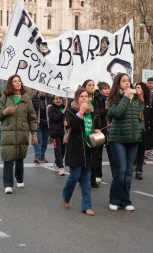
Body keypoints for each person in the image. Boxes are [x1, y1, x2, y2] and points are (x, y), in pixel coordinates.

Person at [0, 75, 38, 194]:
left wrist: (34, 134)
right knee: (8, 158)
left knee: (19, 157)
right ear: (10, 84)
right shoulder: (5, 98)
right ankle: (8, 184)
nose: (18, 83)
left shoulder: (26, 99)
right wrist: (5, 112)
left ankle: (19, 178)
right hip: (8, 132)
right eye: (15, 81)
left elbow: (32, 118)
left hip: (22, 132)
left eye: (19, 81)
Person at [107, 73, 142, 211]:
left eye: (128, 81)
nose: (127, 83)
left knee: (128, 172)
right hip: (118, 138)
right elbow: (116, 114)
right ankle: (114, 199)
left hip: (133, 138)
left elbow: (139, 116)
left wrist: (140, 130)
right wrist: (126, 98)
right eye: (123, 81)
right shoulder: (114, 98)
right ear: (118, 83)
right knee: (120, 170)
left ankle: (125, 200)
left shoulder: (136, 98)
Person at [62, 87, 95, 216]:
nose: (84, 98)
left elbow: (92, 125)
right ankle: (66, 196)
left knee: (86, 178)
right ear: (77, 98)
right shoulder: (71, 110)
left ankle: (86, 206)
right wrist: (80, 112)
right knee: (74, 176)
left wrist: (96, 130)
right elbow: (73, 126)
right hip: (76, 148)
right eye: (81, 96)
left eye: (86, 96)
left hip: (88, 147)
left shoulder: (91, 110)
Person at [82, 79, 105, 188]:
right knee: (85, 156)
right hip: (84, 131)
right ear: (84, 87)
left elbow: (98, 114)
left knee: (94, 156)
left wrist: (98, 127)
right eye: (89, 85)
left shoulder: (97, 100)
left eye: (93, 85)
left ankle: (92, 178)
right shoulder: (81, 99)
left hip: (95, 131)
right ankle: (82, 178)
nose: (92, 86)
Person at [133, 82, 151, 180]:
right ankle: (133, 165)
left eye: (139, 87)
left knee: (141, 150)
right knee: (133, 149)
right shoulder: (133, 99)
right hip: (135, 128)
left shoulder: (148, 101)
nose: (137, 89)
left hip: (144, 128)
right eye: (135, 87)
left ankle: (139, 170)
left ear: (143, 89)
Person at [48, 95, 67, 176]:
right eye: (56, 99)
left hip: (64, 133)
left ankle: (56, 163)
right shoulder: (51, 109)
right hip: (56, 133)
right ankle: (61, 167)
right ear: (53, 100)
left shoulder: (65, 108)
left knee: (63, 150)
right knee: (58, 151)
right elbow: (55, 118)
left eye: (60, 98)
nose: (58, 100)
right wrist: (63, 111)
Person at [32, 91, 52, 163]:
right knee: (38, 139)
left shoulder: (50, 98)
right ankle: (37, 156)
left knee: (44, 141)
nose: (42, 92)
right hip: (37, 122)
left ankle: (42, 156)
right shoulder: (34, 98)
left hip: (47, 123)